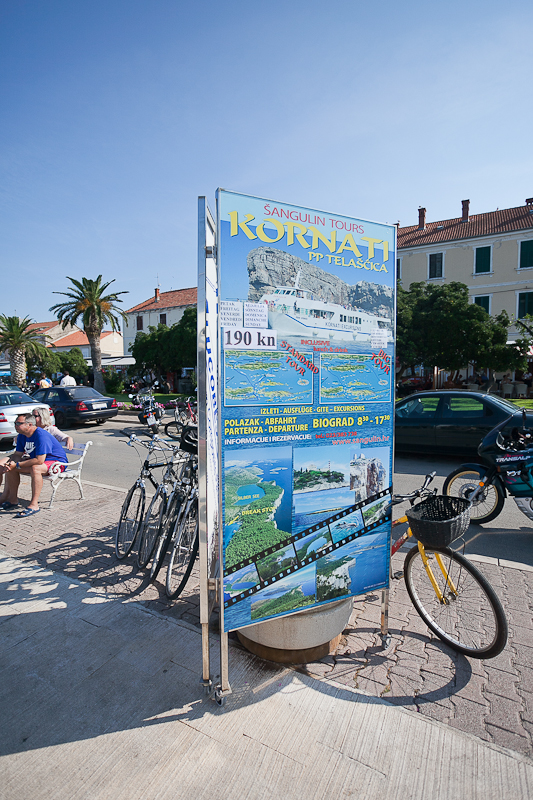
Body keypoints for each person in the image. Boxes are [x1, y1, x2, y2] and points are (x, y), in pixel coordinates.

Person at [0, 413, 68, 517]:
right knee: (11, 468)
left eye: (19, 423)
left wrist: (17, 464)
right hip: (40, 461)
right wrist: (11, 463)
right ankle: (12, 500)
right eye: (15, 423)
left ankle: (34, 505)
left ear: (30, 424)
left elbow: (39, 460)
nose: (16, 425)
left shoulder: (41, 435)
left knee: (35, 468)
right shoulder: (22, 435)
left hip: (56, 462)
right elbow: (18, 454)